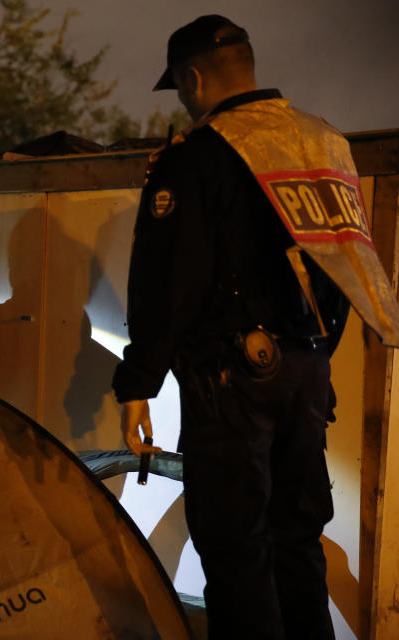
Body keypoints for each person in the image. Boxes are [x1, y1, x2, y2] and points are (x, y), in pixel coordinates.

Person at [110, 15, 398, 639]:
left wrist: (138, 380)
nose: (185, 103)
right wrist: (317, 356)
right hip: (307, 372)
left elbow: (169, 281)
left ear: (191, 78)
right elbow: (348, 263)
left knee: (237, 548)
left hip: (232, 381)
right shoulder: (322, 142)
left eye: (182, 90)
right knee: (298, 540)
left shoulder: (200, 157)